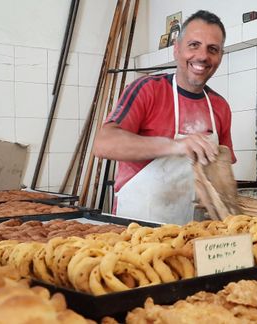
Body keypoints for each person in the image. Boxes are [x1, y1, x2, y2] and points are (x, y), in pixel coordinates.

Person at [93, 10, 235, 225]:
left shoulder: (220, 107)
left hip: (192, 234)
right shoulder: (148, 89)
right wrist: (176, 146)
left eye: (212, 49)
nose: (203, 56)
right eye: (194, 45)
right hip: (136, 230)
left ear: (220, 57)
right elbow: (103, 144)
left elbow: (222, 173)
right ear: (176, 50)